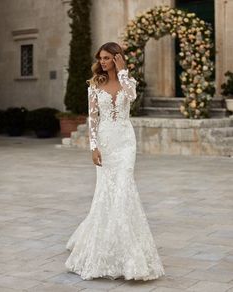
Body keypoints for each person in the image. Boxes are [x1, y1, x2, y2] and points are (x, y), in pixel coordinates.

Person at [65, 42, 165, 281]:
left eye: (108, 58)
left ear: (117, 58)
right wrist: (93, 147)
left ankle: (130, 257)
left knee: (124, 190)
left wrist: (122, 71)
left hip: (125, 142)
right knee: (106, 193)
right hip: (106, 143)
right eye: (101, 58)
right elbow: (93, 119)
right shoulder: (94, 85)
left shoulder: (128, 82)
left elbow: (131, 98)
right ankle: (105, 250)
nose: (103, 62)